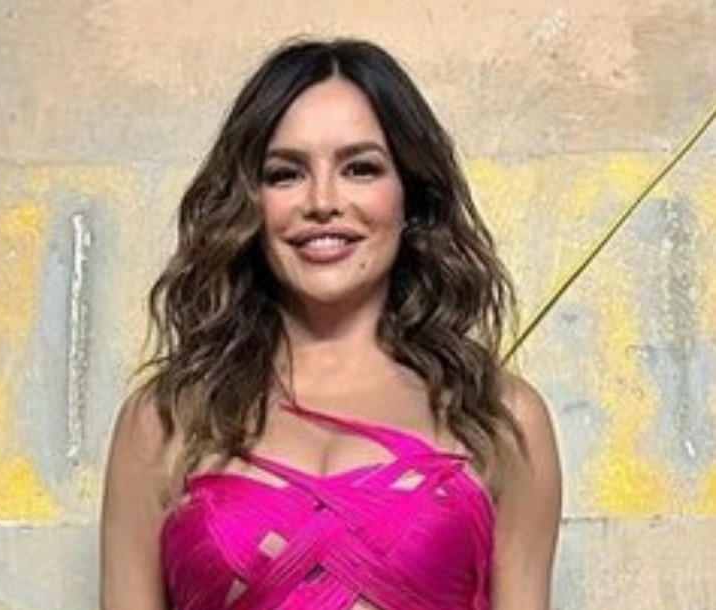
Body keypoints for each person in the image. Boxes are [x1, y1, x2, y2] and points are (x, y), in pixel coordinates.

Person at [101, 38, 561, 610]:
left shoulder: (501, 418)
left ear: (411, 197)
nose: (322, 201)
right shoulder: (164, 420)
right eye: (285, 174)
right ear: (248, 202)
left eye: (359, 168)